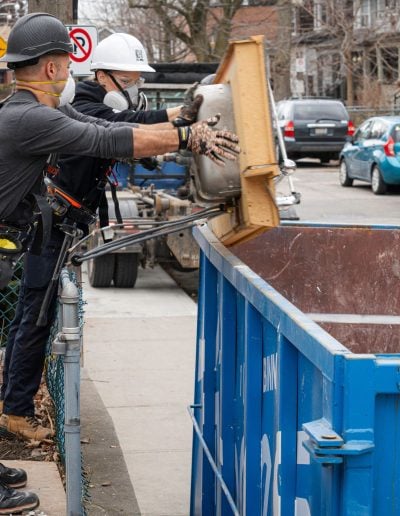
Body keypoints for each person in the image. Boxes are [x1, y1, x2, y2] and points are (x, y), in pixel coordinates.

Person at [0, 11, 238, 448]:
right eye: (68, 64)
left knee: (32, 317)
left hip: (16, 238)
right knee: (31, 318)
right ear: (52, 68)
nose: (72, 72)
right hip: (22, 237)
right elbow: (106, 139)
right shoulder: (32, 118)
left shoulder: (36, 111)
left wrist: (177, 124)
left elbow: (103, 127)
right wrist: (187, 139)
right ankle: (12, 420)